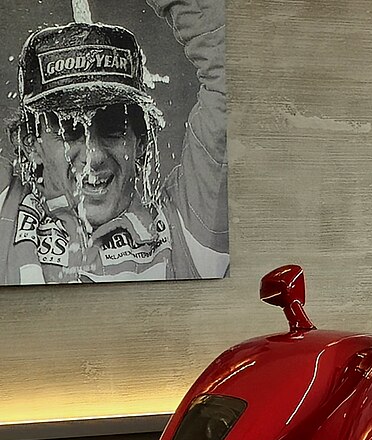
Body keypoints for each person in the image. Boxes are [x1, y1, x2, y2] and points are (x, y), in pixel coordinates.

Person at [0, 0, 227, 284]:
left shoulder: (184, 228)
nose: (94, 156)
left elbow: (231, 71)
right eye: (70, 130)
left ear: (141, 141)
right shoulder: (5, 210)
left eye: (112, 128)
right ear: (29, 144)